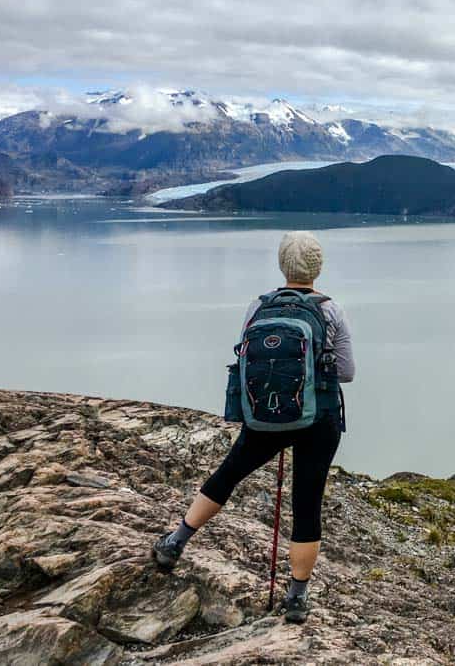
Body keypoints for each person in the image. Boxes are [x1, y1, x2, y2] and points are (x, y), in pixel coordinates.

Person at [151, 231, 354, 623]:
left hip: (264, 416)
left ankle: (175, 542)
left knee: (228, 474)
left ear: (283, 266)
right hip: (317, 420)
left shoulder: (258, 307)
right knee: (307, 502)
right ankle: (296, 598)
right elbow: (346, 372)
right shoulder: (331, 311)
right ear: (318, 268)